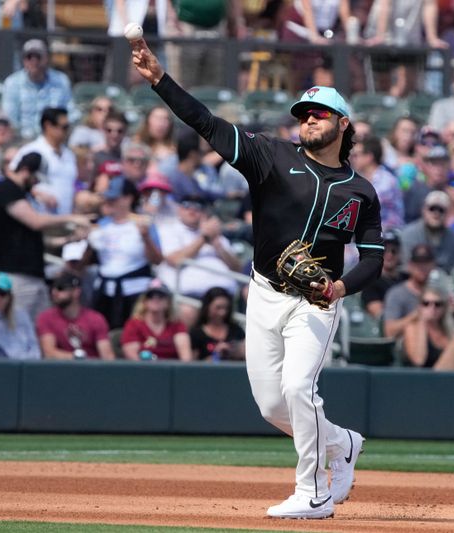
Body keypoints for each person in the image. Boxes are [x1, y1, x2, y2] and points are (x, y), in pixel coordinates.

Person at [131, 36, 383, 518]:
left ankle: (313, 493)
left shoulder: (361, 192)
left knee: (297, 388)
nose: (308, 118)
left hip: (317, 301)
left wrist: (339, 287)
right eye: (303, 113)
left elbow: (373, 258)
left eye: (319, 113)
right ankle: (342, 443)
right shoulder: (270, 156)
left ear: (342, 123)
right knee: (272, 406)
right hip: (264, 291)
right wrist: (161, 80)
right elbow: (206, 123)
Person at [0, 151, 91, 322]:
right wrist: (72, 218)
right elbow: (35, 221)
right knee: (19, 327)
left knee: (40, 327)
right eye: (36, 179)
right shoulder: (6, 189)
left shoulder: (22, 195)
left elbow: (33, 237)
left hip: (33, 275)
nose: (36, 184)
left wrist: (69, 239)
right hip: (15, 275)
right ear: (26, 171)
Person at [86, 177, 162, 329]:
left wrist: (146, 237)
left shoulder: (143, 223)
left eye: (114, 198)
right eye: (108, 198)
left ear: (128, 199)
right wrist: (87, 239)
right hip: (104, 292)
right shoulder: (101, 224)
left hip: (134, 293)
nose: (109, 201)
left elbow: (157, 260)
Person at [1, 39, 78, 140]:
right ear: (24, 60)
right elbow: (10, 120)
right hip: (22, 140)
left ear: (46, 58)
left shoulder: (61, 80)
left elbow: (72, 113)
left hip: (55, 139)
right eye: (29, 57)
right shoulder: (12, 83)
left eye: (38, 56)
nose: (34, 61)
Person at [9, 107, 77, 215]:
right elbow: (12, 179)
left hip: (64, 221)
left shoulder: (69, 155)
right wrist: (36, 193)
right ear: (48, 126)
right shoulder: (31, 150)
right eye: (64, 127)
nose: (67, 131)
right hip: (38, 218)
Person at [36, 272, 114, 360]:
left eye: (61, 288)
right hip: (60, 369)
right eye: (52, 288)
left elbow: (107, 356)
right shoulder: (46, 317)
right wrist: (79, 357)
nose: (55, 292)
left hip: (91, 370)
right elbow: (49, 353)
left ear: (76, 292)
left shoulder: (96, 318)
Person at [120, 285, 193, 361]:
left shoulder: (177, 325)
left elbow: (186, 358)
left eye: (161, 296)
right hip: (142, 369)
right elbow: (132, 357)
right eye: (150, 296)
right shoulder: (133, 324)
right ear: (144, 302)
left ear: (168, 302)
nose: (155, 299)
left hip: (170, 370)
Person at [400, 190, 454, 273]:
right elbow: (406, 267)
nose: (436, 213)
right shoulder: (409, 234)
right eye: (432, 209)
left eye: (441, 210)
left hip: (446, 283)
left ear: (448, 213)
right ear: (423, 210)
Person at [350, 136, 404, 230]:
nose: (353, 159)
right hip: (369, 232)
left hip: (388, 236)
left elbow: (365, 206)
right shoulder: (359, 179)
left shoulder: (387, 180)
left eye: (356, 155)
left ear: (369, 157)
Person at [384, 243, 435, 339]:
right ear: (410, 265)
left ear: (433, 265)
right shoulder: (396, 294)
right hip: (407, 344)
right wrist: (416, 316)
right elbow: (389, 331)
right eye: (418, 263)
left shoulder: (438, 294)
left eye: (426, 263)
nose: (422, 267)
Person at [402, 285, 454, 368]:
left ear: (444, 308)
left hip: (447, 376)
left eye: (437, 304)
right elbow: (418, 360)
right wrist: (422, 321)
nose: (432, 307)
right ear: (419, 306)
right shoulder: (412, 328)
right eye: (426, 303)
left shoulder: (448, 330)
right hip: (423, 377)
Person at [189, 286, 246, 361]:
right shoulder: (196, 333)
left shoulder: (236, 330)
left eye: (226, 308)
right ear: (207, 307)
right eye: (218, 308)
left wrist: (238, 351)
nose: (222, 313)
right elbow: (192, 366)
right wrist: (216, 355)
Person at [361, 230, 406, 321]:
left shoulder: (406, 278)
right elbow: (380, 315)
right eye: (385, 250)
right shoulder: (371, 281)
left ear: (399, 254)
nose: (389, 255)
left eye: (393, 251)